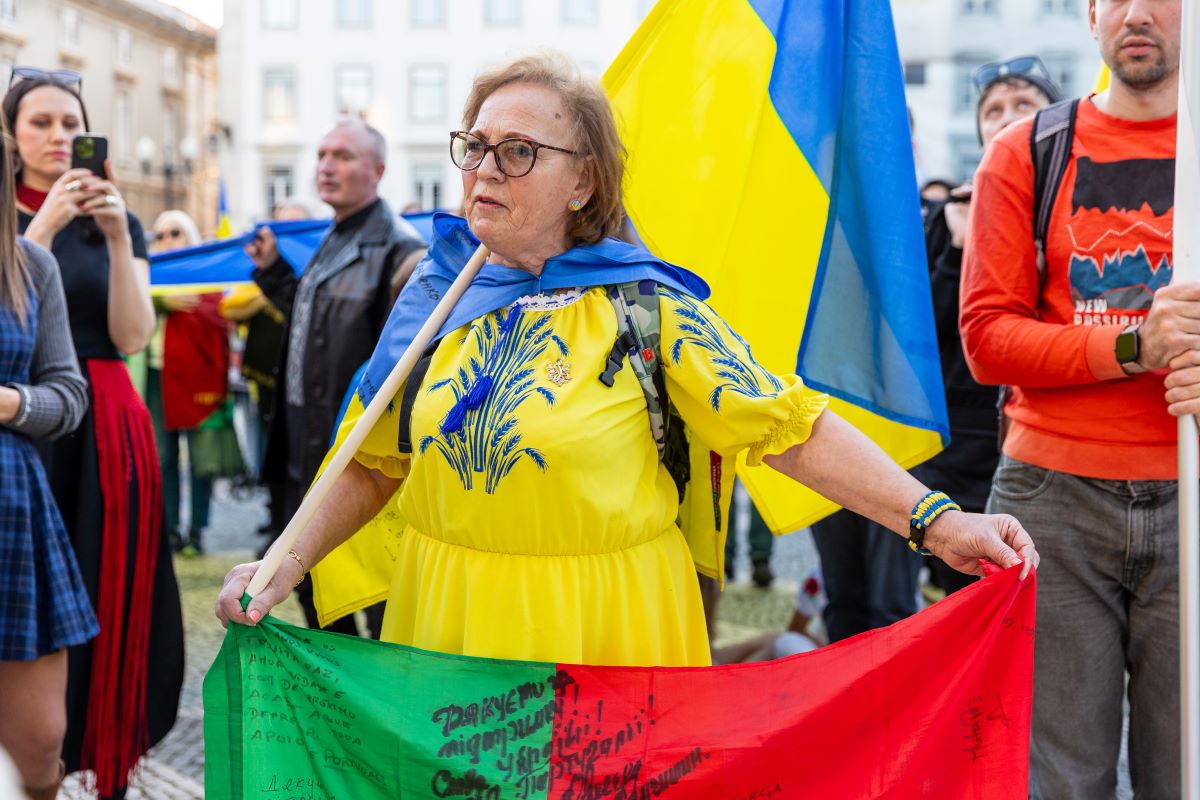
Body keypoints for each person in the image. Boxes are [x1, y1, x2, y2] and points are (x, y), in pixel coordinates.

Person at [218, 53, 1036, 672]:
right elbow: (374, 462)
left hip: (603, 631)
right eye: (477, 147)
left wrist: (935, 520)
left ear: (583, 183)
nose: (484, 170)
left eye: (518, 152)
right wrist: (282, 564)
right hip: (447, 619)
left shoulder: (646, 307)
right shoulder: (435, 302)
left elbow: (788, 429)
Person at [961, 2, 1187, 796]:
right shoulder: (1025, 151)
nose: (1135, 13)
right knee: (1055, 780)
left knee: (1185, 773)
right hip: (1054, 503)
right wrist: (1135, 349)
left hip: (1192, 500)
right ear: (1089, 16)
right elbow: (987, 338)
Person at [6, 69, 184, 799]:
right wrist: (39, 226)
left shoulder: (119, 221)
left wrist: (115, 237)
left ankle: (99, 751)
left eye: (70, 125)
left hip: (105, 422)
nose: (58, 138)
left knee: (111, 589)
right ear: (11, 139)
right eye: (39, 123)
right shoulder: (15, 224)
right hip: (23, 433)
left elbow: (132, 334)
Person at [244, 119, 425, 635]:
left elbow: (402, 366)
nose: (326, 166)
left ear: (378, 170)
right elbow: (317, 327)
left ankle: (365, 711)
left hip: (356, 460)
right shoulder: (333, 239)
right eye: (322, 154)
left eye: (343, 155)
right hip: (305, 451)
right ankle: (338, 710)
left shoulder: (400, 250)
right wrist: (277, 274)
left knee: (371, 604)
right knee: (313, 594)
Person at [920, 57, 1061, 601]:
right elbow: (922, 337)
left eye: (1024, 104)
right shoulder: (950, 213)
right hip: (965, 436)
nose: (1006, 118)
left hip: (1045, 436)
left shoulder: (1075, 208)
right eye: (993, 110)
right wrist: (956, 249)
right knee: (967, 595)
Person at [0, 103, 92, 799]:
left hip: (12, 513)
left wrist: (10, 403)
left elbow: (68, 396)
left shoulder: (29, 263)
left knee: (38, 752)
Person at [147, 209, 239, 555]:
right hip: (156, 378)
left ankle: (197, 530)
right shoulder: (147, 275)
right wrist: (160, 301)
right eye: (161, 235)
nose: (168, 241)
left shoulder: (207, 275)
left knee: (203, 461)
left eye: (175, 233)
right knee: (163, 457)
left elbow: (219, 318)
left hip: (199, 381)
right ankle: (170, 529)